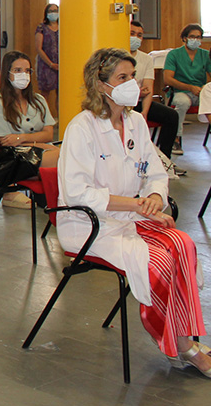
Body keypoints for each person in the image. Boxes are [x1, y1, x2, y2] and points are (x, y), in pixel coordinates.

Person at [59, 47, 209, 377]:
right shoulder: (81, 128)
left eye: (133, 77)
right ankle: (185, 346)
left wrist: (155, 197)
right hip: (90, 224)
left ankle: (185, 338)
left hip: (132, 215)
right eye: (122, 78)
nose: (133, 84)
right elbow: (78, 193)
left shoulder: (137, 121)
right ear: (101, 85)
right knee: (155, 263)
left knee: (182, 246)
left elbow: (155, 171)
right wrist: (137, 205)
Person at [0, 51, 59, 208]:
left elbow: (49, 134)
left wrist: (22, 138)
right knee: (65, 157)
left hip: (36, 151)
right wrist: (37, 141)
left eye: (27, 71)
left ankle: (56, 200)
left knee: (68, 155)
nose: (24, 74)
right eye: (18, 70)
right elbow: (4, 144)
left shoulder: (39, 100)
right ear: (7, 73)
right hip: (12, 160)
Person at [130, 21, 184, 174]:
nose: (136, 38)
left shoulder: (146, 59)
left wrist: (145, 112)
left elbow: (148, 89)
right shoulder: (117, 55)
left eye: (139, 35)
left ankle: (164, 160)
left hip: (140, 102)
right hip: (122, 103)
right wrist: (135, 92)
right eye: (132, 34)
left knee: (171, 116)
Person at [163, 23, 210, 156]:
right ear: (184, 38)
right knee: (182, 103)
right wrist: (189, 87)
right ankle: (175, 138)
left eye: (199, 37)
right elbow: (168, 79)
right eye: (192, 37)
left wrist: (204, 89)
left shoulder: (205, 55)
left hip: (200, 92)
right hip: (180, 91)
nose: (196, 40)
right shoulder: (174, 55)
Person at [35, 3, 59, 119]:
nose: (53, 13)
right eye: (51, 11)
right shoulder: (41, 28)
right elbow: (39, 48)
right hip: (46, 65)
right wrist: (50, 64)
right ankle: (46, 119)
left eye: (56, 10)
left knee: (61, 94)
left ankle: (61, 119)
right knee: (45, 94)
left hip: (61, 65)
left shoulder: (63, 26)